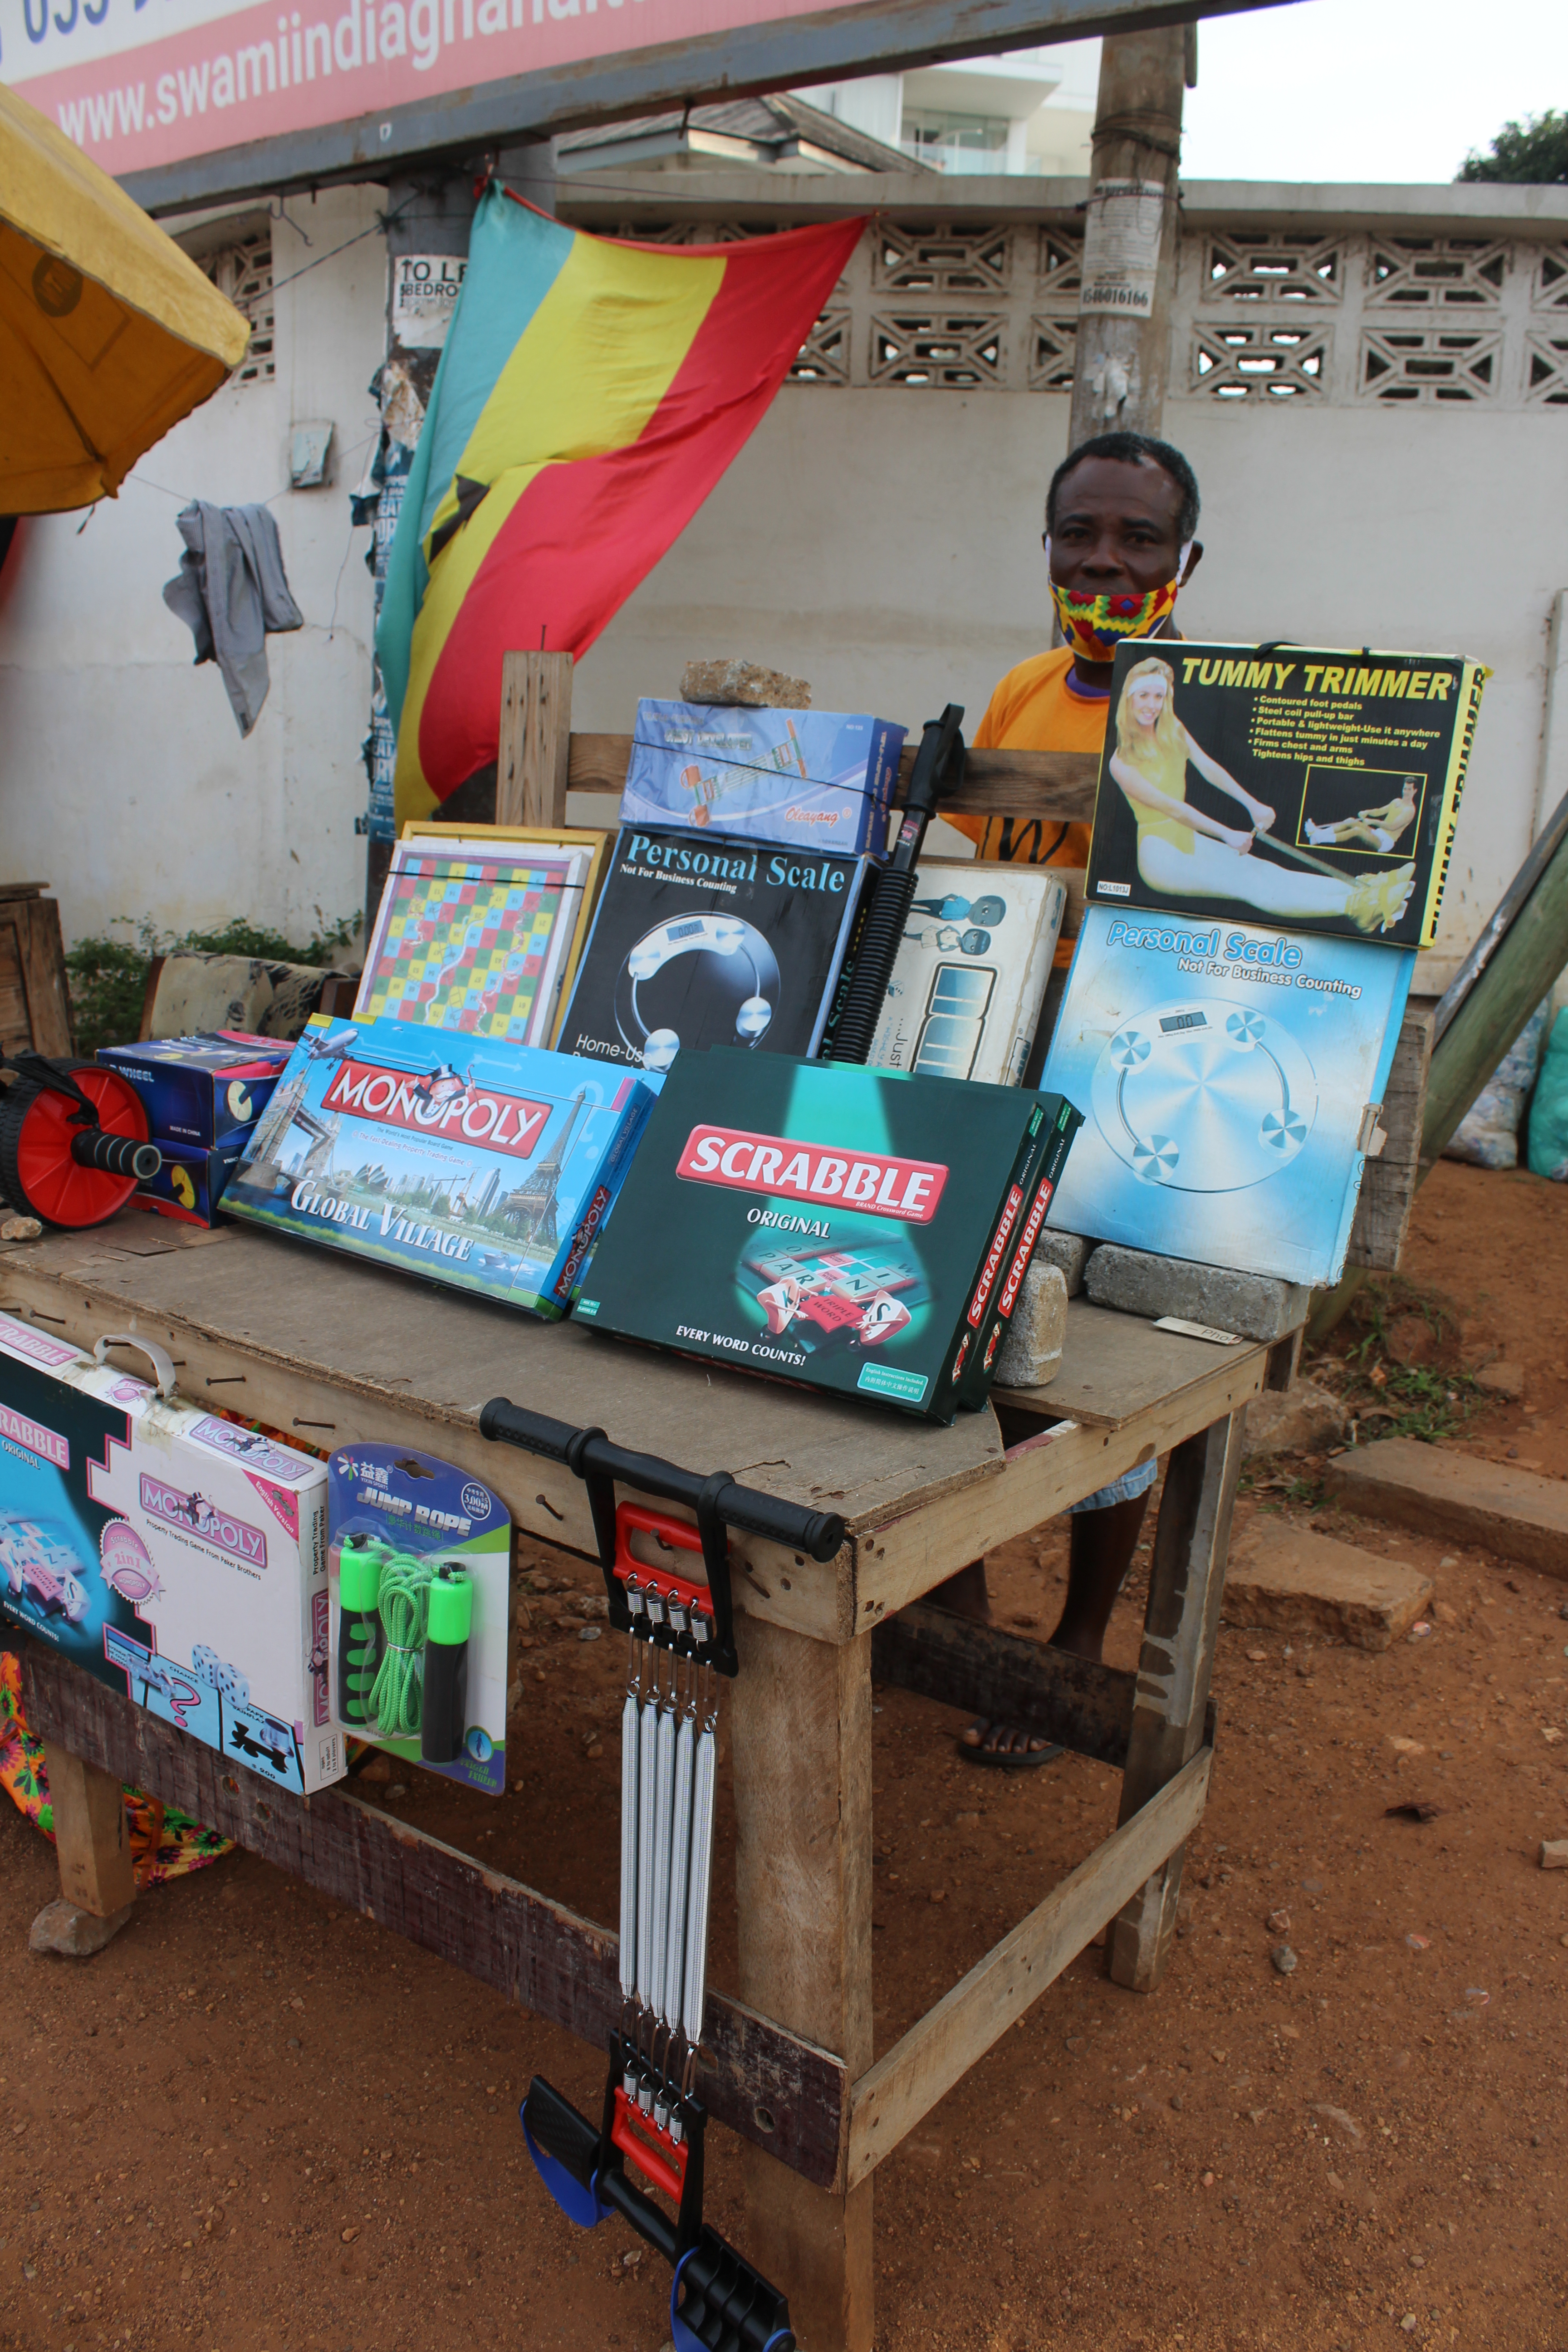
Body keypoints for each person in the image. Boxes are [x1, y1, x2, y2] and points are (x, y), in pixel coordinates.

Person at [939, 429, 1203, 1763]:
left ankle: (1079, 1641)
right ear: (1047, 552)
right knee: (955, 1345)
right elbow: (991, 889)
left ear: (1186, 564)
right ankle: (966, 1624)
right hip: (1000, 1071)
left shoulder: (1226, 717)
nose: (1105, 561)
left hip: (1145, 1099)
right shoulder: (1020, 690)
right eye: (1079, 535)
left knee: (1107, 1375)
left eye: (1138, 540)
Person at [1108, 657, 1414, 933]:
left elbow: (1208, 768)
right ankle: (1357, 908)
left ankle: (1363, 890)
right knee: (1250, 883)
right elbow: (1173, 808)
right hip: (1161, 856)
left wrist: (1252, 804)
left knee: (1265, 870)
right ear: (1129, 699)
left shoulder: (1171, 729)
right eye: (1144, 695)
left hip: (1186, 839)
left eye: (1159, 696)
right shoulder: (1121, 763)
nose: (1152, 704)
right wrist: (1227, 833)